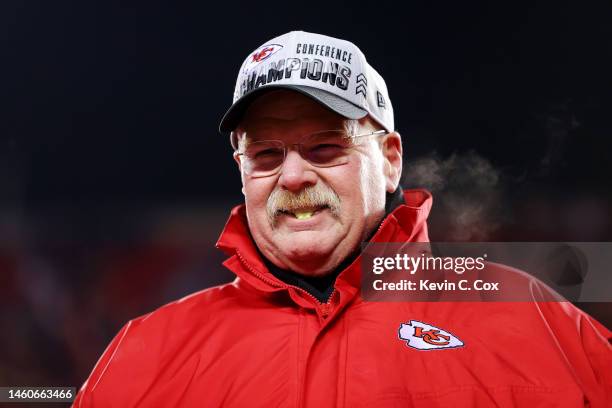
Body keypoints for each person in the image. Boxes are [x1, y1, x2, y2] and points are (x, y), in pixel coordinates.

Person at [73, 31, 611, 407]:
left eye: (326, 147)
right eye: (265, 155)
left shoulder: (538, 324)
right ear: (241, 169)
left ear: (392, 158)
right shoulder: (145, 352)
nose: (292, 178)